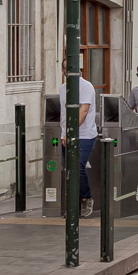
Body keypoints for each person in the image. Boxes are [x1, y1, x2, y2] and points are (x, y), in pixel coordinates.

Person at [59, 63, 98, 217]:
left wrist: (70, 132)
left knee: (78, 166)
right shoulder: (63, 88)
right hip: (65, 135)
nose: (68, 71)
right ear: (63, 71)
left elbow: (84, 110)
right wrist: (64, 133)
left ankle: (86, 198)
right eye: (66, 68)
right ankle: (73, 206)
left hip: (84, 135)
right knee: (69, 169)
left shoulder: (86, 87)